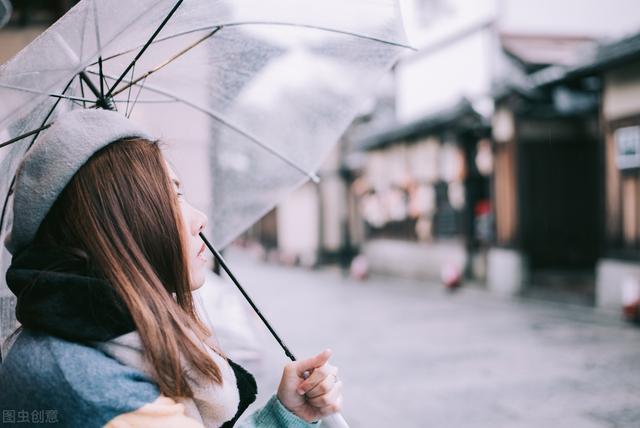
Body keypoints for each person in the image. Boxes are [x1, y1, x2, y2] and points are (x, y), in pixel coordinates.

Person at [0, 109, 343, 427]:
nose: (200, 219)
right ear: (122, 219)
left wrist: (285, 414)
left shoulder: (92, 344)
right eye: (173, 195)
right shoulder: (99, 394)